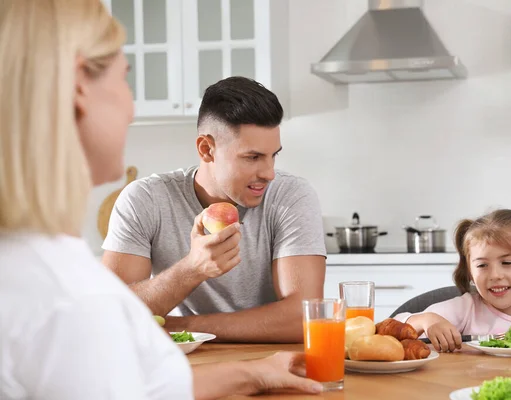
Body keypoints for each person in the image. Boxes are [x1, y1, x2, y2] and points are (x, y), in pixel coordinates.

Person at [0, 1, 322, 398]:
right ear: (80, 87)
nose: (133, 110)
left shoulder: (41, 265)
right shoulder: (60, 292)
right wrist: (192, 269)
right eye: (124, 80)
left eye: (273, 156)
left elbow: (144, 389)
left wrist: (253, 374)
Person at [101, 76, 327, 343]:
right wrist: (193, 268)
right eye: (253, 157)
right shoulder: (145, 200)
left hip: (272, 363)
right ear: (206, 149)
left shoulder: (291, 196)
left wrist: (181, 326)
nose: (269, 173)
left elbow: (303, 318)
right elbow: (109, 314)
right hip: (181, 365)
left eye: (273, 155)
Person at [394, 209, 511, 352]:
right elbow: (389, 329)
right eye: (482, 265)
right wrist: (427, 320)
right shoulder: (466, 309)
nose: (494, 275)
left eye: (507, 262)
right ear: (470, 271)